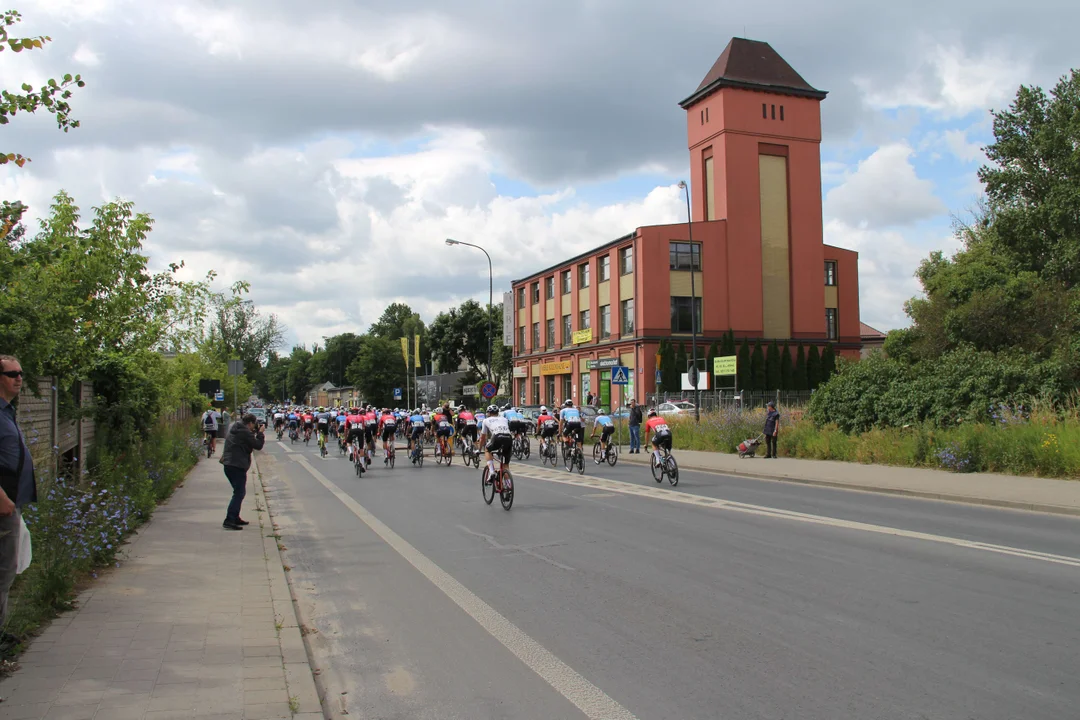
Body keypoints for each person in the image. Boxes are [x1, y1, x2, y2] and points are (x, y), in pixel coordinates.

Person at [0, 355, 35, 629]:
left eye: (21, 372)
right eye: (12, 374)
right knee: (3, 573)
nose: (19, 378)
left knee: (8, 572)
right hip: (3, 503)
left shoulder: (7, 411)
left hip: (12, 503)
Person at [219, 412, 265, 530]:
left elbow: (245, 440)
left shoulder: (235, 427)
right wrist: (260, 433)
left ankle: (235, 516)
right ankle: (229, 519)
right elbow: (258, 445)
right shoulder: (245, 432)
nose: (254, 427)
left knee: (238, 492)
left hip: (229, 464)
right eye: (253, 425)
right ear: (250, 423)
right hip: (236, 465)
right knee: (239, 493)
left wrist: (254, 432)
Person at [479, 404, 513, 480]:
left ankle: (491, 472)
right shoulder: (504, 419)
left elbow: (482, 437)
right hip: (508, 437)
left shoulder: (486, 420)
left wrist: (479, 449)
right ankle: (508, 485)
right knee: (506, 465)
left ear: (489, 413)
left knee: (487, 450)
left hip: (498, 436)